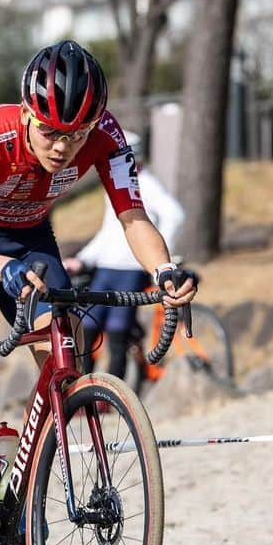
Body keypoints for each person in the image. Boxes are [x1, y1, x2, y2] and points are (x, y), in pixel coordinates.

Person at [0, 40, 195, 545]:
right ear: (25, 112)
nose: (63, 147)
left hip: (29, 234)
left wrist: (165, 270)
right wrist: (5, 269)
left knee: (64, 348)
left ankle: (17, 477)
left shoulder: (107, 136)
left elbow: (133, 217)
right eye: (49, 132)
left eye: (76, 134)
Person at [63, 131, 185, 380]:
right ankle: (82, 392)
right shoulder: (116, 184)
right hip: (107, 266)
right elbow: (109, 232)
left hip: (130, 268)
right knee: (86, 329)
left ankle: (111, 400)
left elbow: (175, 215)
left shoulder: (146, 183)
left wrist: (161, 259)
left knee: (118, 334)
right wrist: (84, 259)